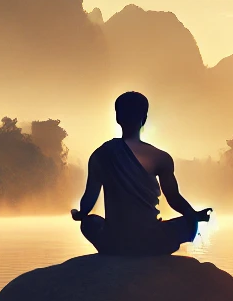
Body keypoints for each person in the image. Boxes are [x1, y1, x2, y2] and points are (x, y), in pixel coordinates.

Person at [71, 92, 212, 255]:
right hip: (151, 240)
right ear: (144, 118)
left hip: (115, 240)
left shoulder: (101, 155)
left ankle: (117, 252)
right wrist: (193, 216)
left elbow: (89, 199)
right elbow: (174, 198)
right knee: (188, 223)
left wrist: (79, 214)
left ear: (118, 118)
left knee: (88, 223)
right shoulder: (160, 157)